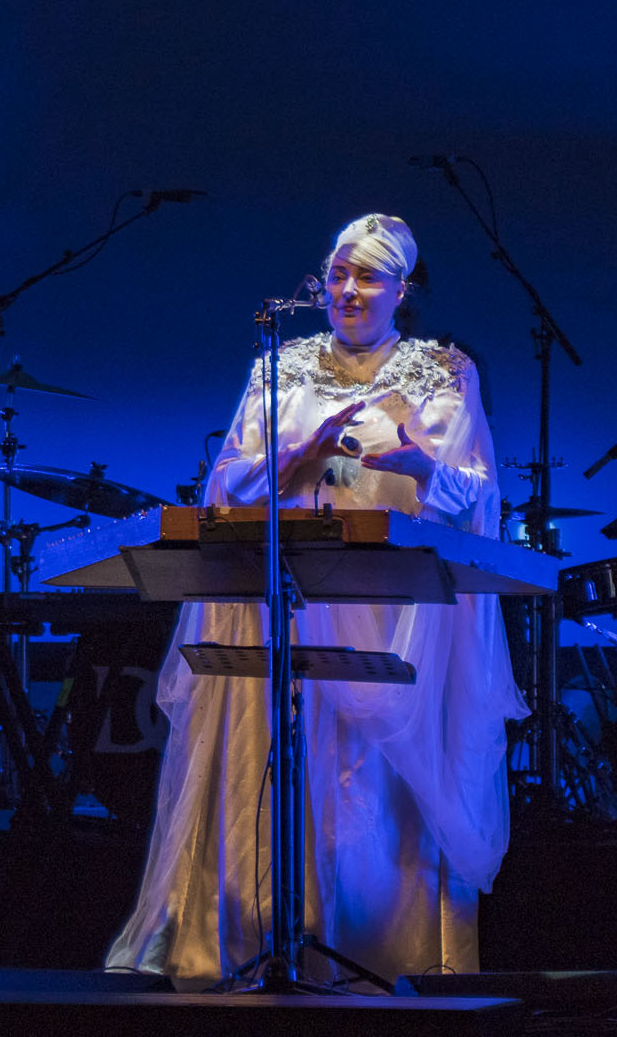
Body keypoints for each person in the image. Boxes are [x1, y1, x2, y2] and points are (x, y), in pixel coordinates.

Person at [105, 213, 526, 985]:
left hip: (384, 608)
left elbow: (477, 497)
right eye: (337, 274)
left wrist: (421, 467)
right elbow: (227, 481)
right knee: (277, 764)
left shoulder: (443, 368)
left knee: (365, 786)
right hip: (282, 591)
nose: (347, 291)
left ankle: (374, 950)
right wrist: (302, 452)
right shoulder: (283, 364)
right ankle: (264, 937)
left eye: (367, 276)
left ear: (404, 288)